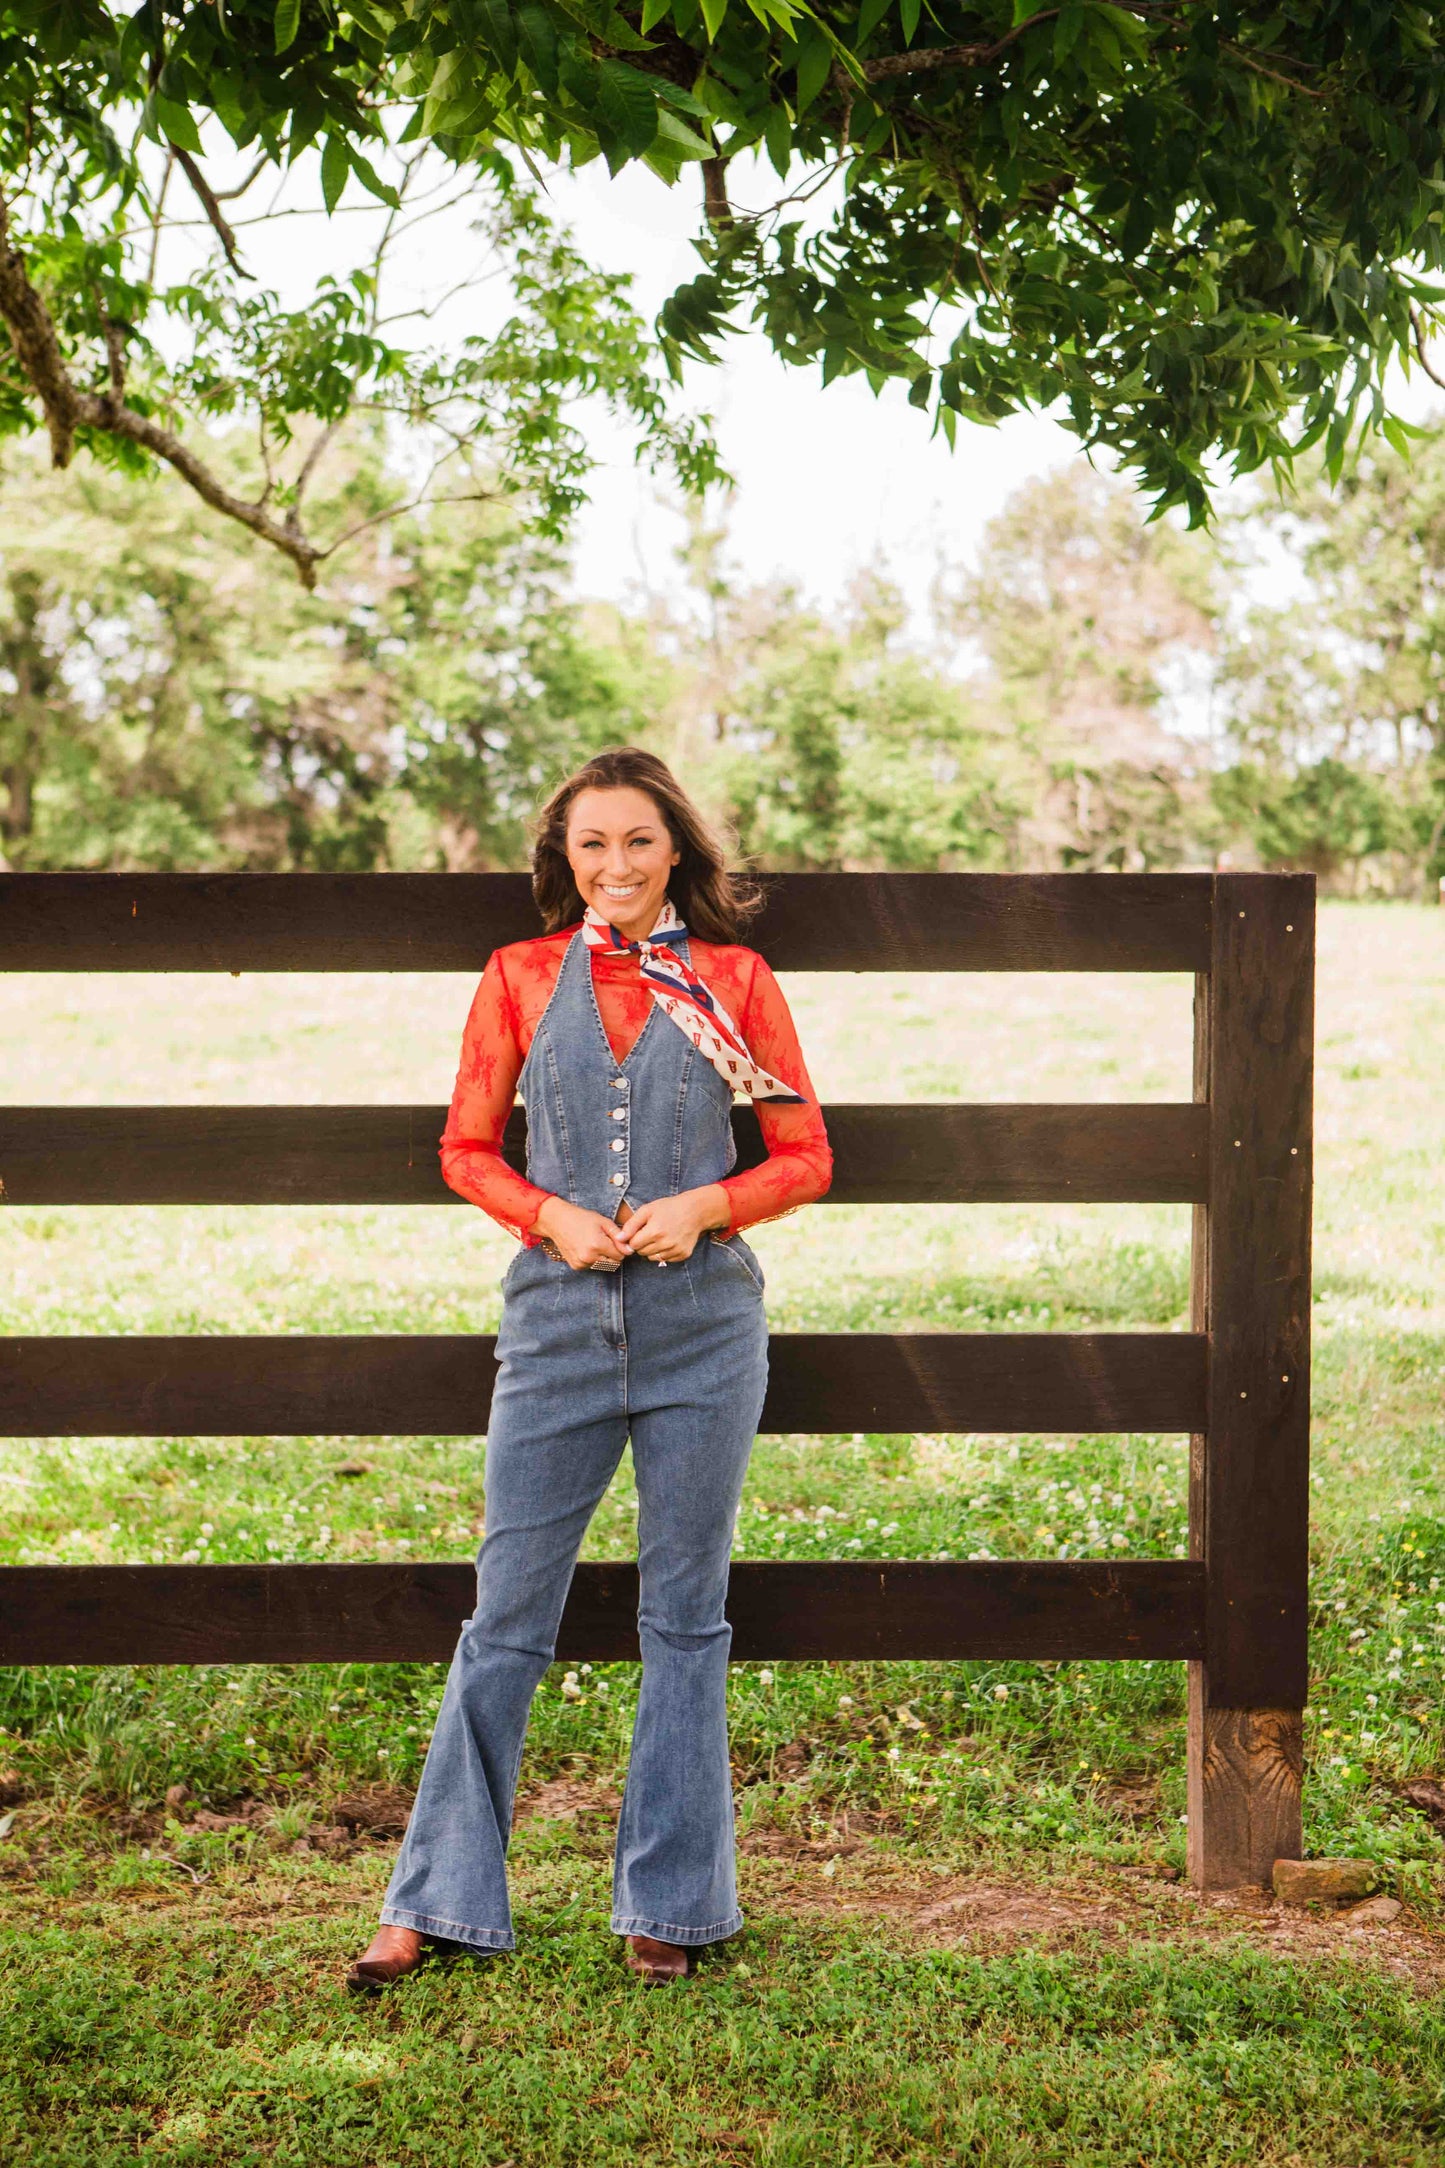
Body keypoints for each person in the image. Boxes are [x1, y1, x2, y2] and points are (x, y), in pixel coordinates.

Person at [348, 747, 832, 1990]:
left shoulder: (731, 978)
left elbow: (804, 1154)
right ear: (563, 859)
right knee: (506, 1611)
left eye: (637, 841)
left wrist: (708, 1205)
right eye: (590, 844)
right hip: (555, 1327)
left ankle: (670, 1901)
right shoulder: (517, 975)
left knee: (685, 1615)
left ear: (676, 850)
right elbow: (464, 1148)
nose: (614, 864)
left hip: (701, 1328)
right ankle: (434, 1896)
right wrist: (548, 1214)